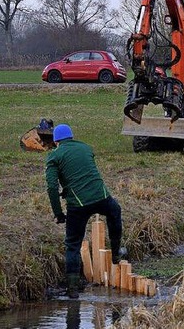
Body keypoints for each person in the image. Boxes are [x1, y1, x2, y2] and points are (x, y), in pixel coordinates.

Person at [46, 124, 123, 299]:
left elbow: (51, 187)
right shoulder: (86, 148)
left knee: (73, 244)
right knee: (115, 212)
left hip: (77, 205)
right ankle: (116, 254)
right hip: (101, 197)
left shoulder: (54, 156)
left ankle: (73, 290)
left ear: (56, 141)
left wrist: (58, 214)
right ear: (72, 137)